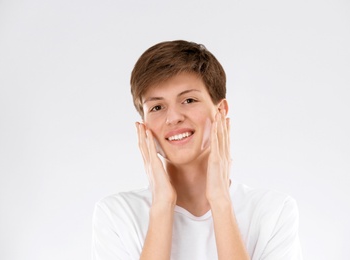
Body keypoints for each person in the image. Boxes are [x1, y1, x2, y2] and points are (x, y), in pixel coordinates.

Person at [92, 40, 302, 260]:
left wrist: (220, 201)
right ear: (143, 124)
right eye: (157, 107)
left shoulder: (273, 212)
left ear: (220, 110)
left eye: (188, 100)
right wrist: (162, 205)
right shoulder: (117, 215)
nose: (173, 118)